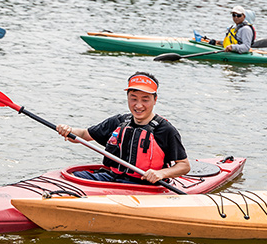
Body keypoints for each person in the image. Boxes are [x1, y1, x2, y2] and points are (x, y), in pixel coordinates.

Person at [55, 72, 191, 185]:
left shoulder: (165, 130)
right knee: (71, 178)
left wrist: (161, 173)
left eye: (145, 99)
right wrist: (68, 130)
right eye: (133, 99)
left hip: (144, 185)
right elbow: (84, 135)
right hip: (112, 178)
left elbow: (184, 166)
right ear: (127, 98)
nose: (138, 105)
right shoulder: (118, 122)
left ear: (155, 100)